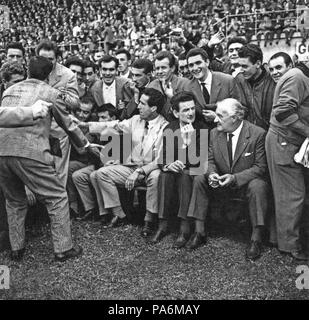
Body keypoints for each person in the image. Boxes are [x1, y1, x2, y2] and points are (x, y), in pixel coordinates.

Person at [0, 56, 94, 262]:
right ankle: (63, 248)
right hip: (31, 152)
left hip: (3, 153)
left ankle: (17, 248)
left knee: (14, 200)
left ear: (28, 72)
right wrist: (85, 145)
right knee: (57, 197)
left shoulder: (8, 91)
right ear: (50, 75)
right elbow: (67, 125)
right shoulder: (51, 93)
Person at [187, 98, 269, 258]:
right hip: (220, 182)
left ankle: (256, 239)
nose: (215, 119)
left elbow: (261, 167)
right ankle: (199, 231)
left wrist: (234, 178)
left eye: (220, 116)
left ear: (235, 117)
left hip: (244, 184)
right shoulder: (214, 133)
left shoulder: (257, 134)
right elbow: (208, 160)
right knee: (199, 178)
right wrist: (211, 174)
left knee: (258, 186)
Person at [84, 88, 168, 235]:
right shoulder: (135, 120)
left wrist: (140, 171)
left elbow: (161, 159)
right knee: (102, 173)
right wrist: (83, 125)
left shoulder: (164, 126)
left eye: (142, 104)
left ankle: (149, 220)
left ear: (153, 108)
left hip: (151, 170)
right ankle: (120, 214)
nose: (138, 106)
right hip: (131, 167)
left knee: (156, 177)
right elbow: (112, 125)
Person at [151, 91, 208, 246]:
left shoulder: (202, 128)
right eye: (185, 110)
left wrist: (187, 142)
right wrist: (169, 165)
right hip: (177, 169)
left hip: (194, 171)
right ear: (176, 113)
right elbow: (163, 157)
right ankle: (162, 224)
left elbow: (198, 160)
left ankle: (184, 227)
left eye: (192, 108)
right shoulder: (171, 127)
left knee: (184, 175)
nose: (190, 113)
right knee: (164, 175)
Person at [265, 60, 309, 261]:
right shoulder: (297, 77)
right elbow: (283, 112)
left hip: (292, 142)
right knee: (292, 195)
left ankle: (281, 238)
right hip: (283, 141)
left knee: (291, 194)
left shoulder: (301, 77)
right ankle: (289, 245)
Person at [36, 40, 80, 187]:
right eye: (43, 59)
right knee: (38, 174)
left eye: (51, 59)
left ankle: (60, 207)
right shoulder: (31, 72)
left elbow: (75, 103)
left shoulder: (68, 75)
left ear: (57, 58)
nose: (47, 63)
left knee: (59, 176)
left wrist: (60, 95)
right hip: (35, 130)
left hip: (57, 132)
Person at [184, 48, 239, 127]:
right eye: (191, 65)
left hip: (227, 132)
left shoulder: (227, 81)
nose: (195, 68)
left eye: (198, 63)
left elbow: (239, 111)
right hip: (203, 135)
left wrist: (217, 118)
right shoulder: (188, 87)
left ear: (207, 62)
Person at [235, 44, 276, 130]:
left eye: (245, 66)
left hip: (270, 134)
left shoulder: (273, 80)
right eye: (240, 66)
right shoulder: (239, 79)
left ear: (258, 64)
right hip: (249, 135)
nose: (241, 70)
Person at [148, 51, 190, 122]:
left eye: (163, 68)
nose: (160, 71)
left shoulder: (184, 83)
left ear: (172, 68)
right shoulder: (152, 86)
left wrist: (172, 98)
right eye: (157, 68)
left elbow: (189, 113)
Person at [90, 55, 131, 119]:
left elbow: (132, 108)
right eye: (104, 69)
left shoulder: (125, 84)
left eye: (111, 69)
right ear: (100, 70)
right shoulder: (94, 87)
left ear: (117, 70)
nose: (108, 73)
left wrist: (124, 108)